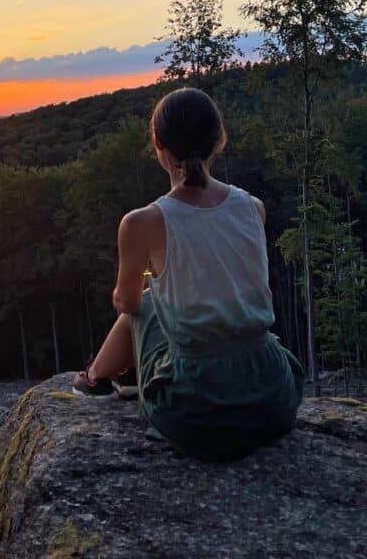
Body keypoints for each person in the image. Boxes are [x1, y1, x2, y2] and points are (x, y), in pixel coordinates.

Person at [71, 87, 304, 461]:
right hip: (272, 397)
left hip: (195, 412)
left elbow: (126, 302)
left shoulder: (141, 222)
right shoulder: (253, 207)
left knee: (144, 304)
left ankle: (94, 379)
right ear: (219, 139)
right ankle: (99, 378)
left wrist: (154, 281)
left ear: (159, 145)